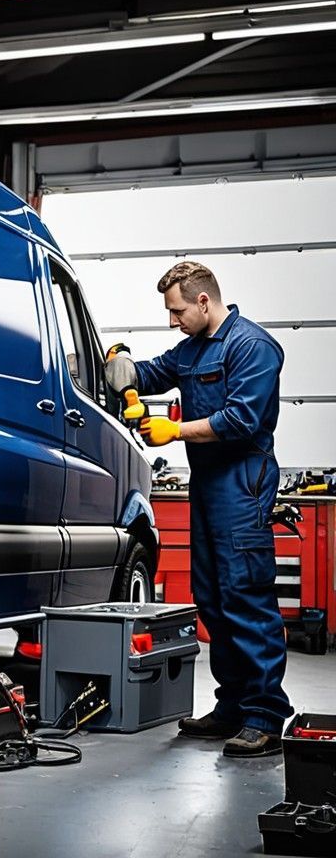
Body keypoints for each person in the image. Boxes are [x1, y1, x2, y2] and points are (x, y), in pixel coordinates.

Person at [105, 260, 291, 758]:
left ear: (204, 301)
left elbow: (242, 418)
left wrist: (175, 431)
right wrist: (120, 364)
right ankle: (232, 706)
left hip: (242, 482)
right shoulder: (190, 352)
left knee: (245, 596)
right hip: (207, 485)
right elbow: (147, 375)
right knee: (212, 598)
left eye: (177, 310)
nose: (172, 320)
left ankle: (265, 715)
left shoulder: (253, 347)